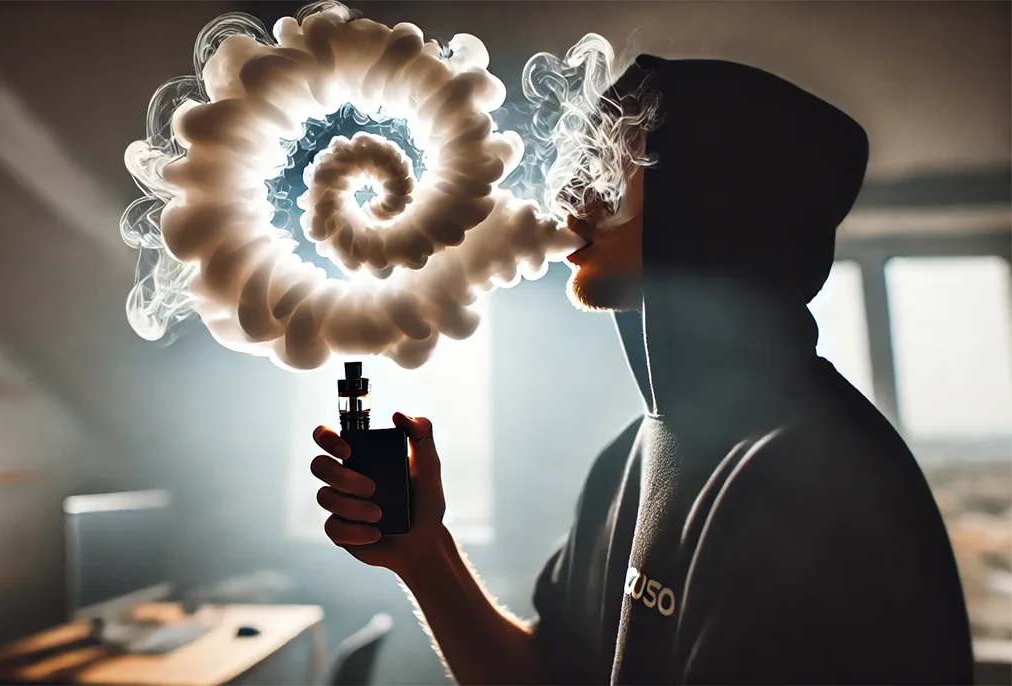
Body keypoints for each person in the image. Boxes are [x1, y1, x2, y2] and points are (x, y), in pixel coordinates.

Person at [308, 54, 975, 685]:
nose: (572, 192)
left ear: (708, 197)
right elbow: (549, 676)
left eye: (606, 166)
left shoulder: (813, 483)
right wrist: (427, 556)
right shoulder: (633, 455)